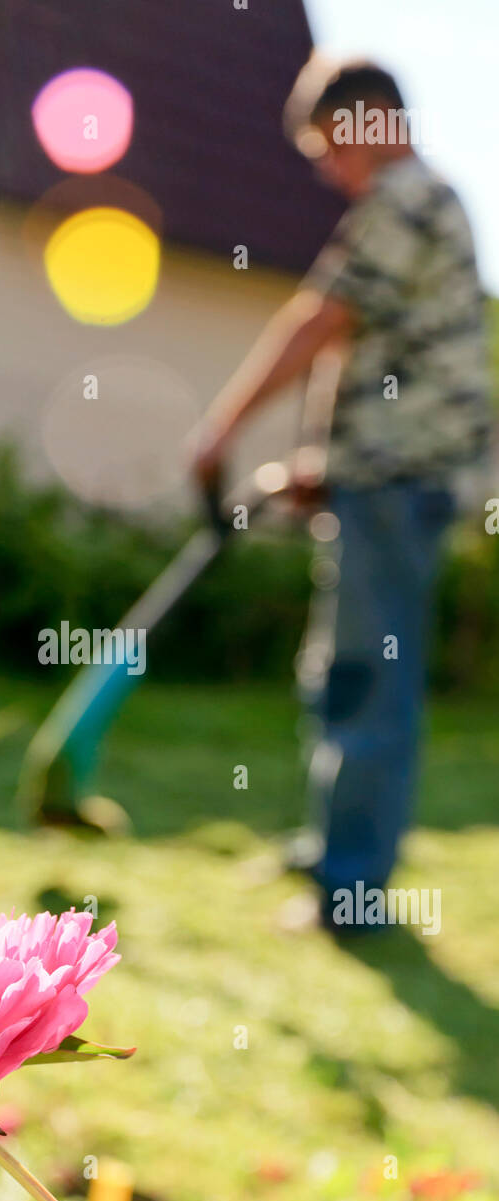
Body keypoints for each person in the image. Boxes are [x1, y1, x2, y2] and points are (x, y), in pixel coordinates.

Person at [188, 56, 493, 931]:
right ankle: (334, 851)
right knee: (343, 678)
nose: (327, 168)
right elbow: (381, 359)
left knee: (368, 684)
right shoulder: (416, 208)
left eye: (330, 145)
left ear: (369, 122)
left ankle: (354, 893)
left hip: (397, 488)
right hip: (378, 479)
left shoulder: (407, 200)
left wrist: (221, 427)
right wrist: (321, 461)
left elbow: (322, 320)